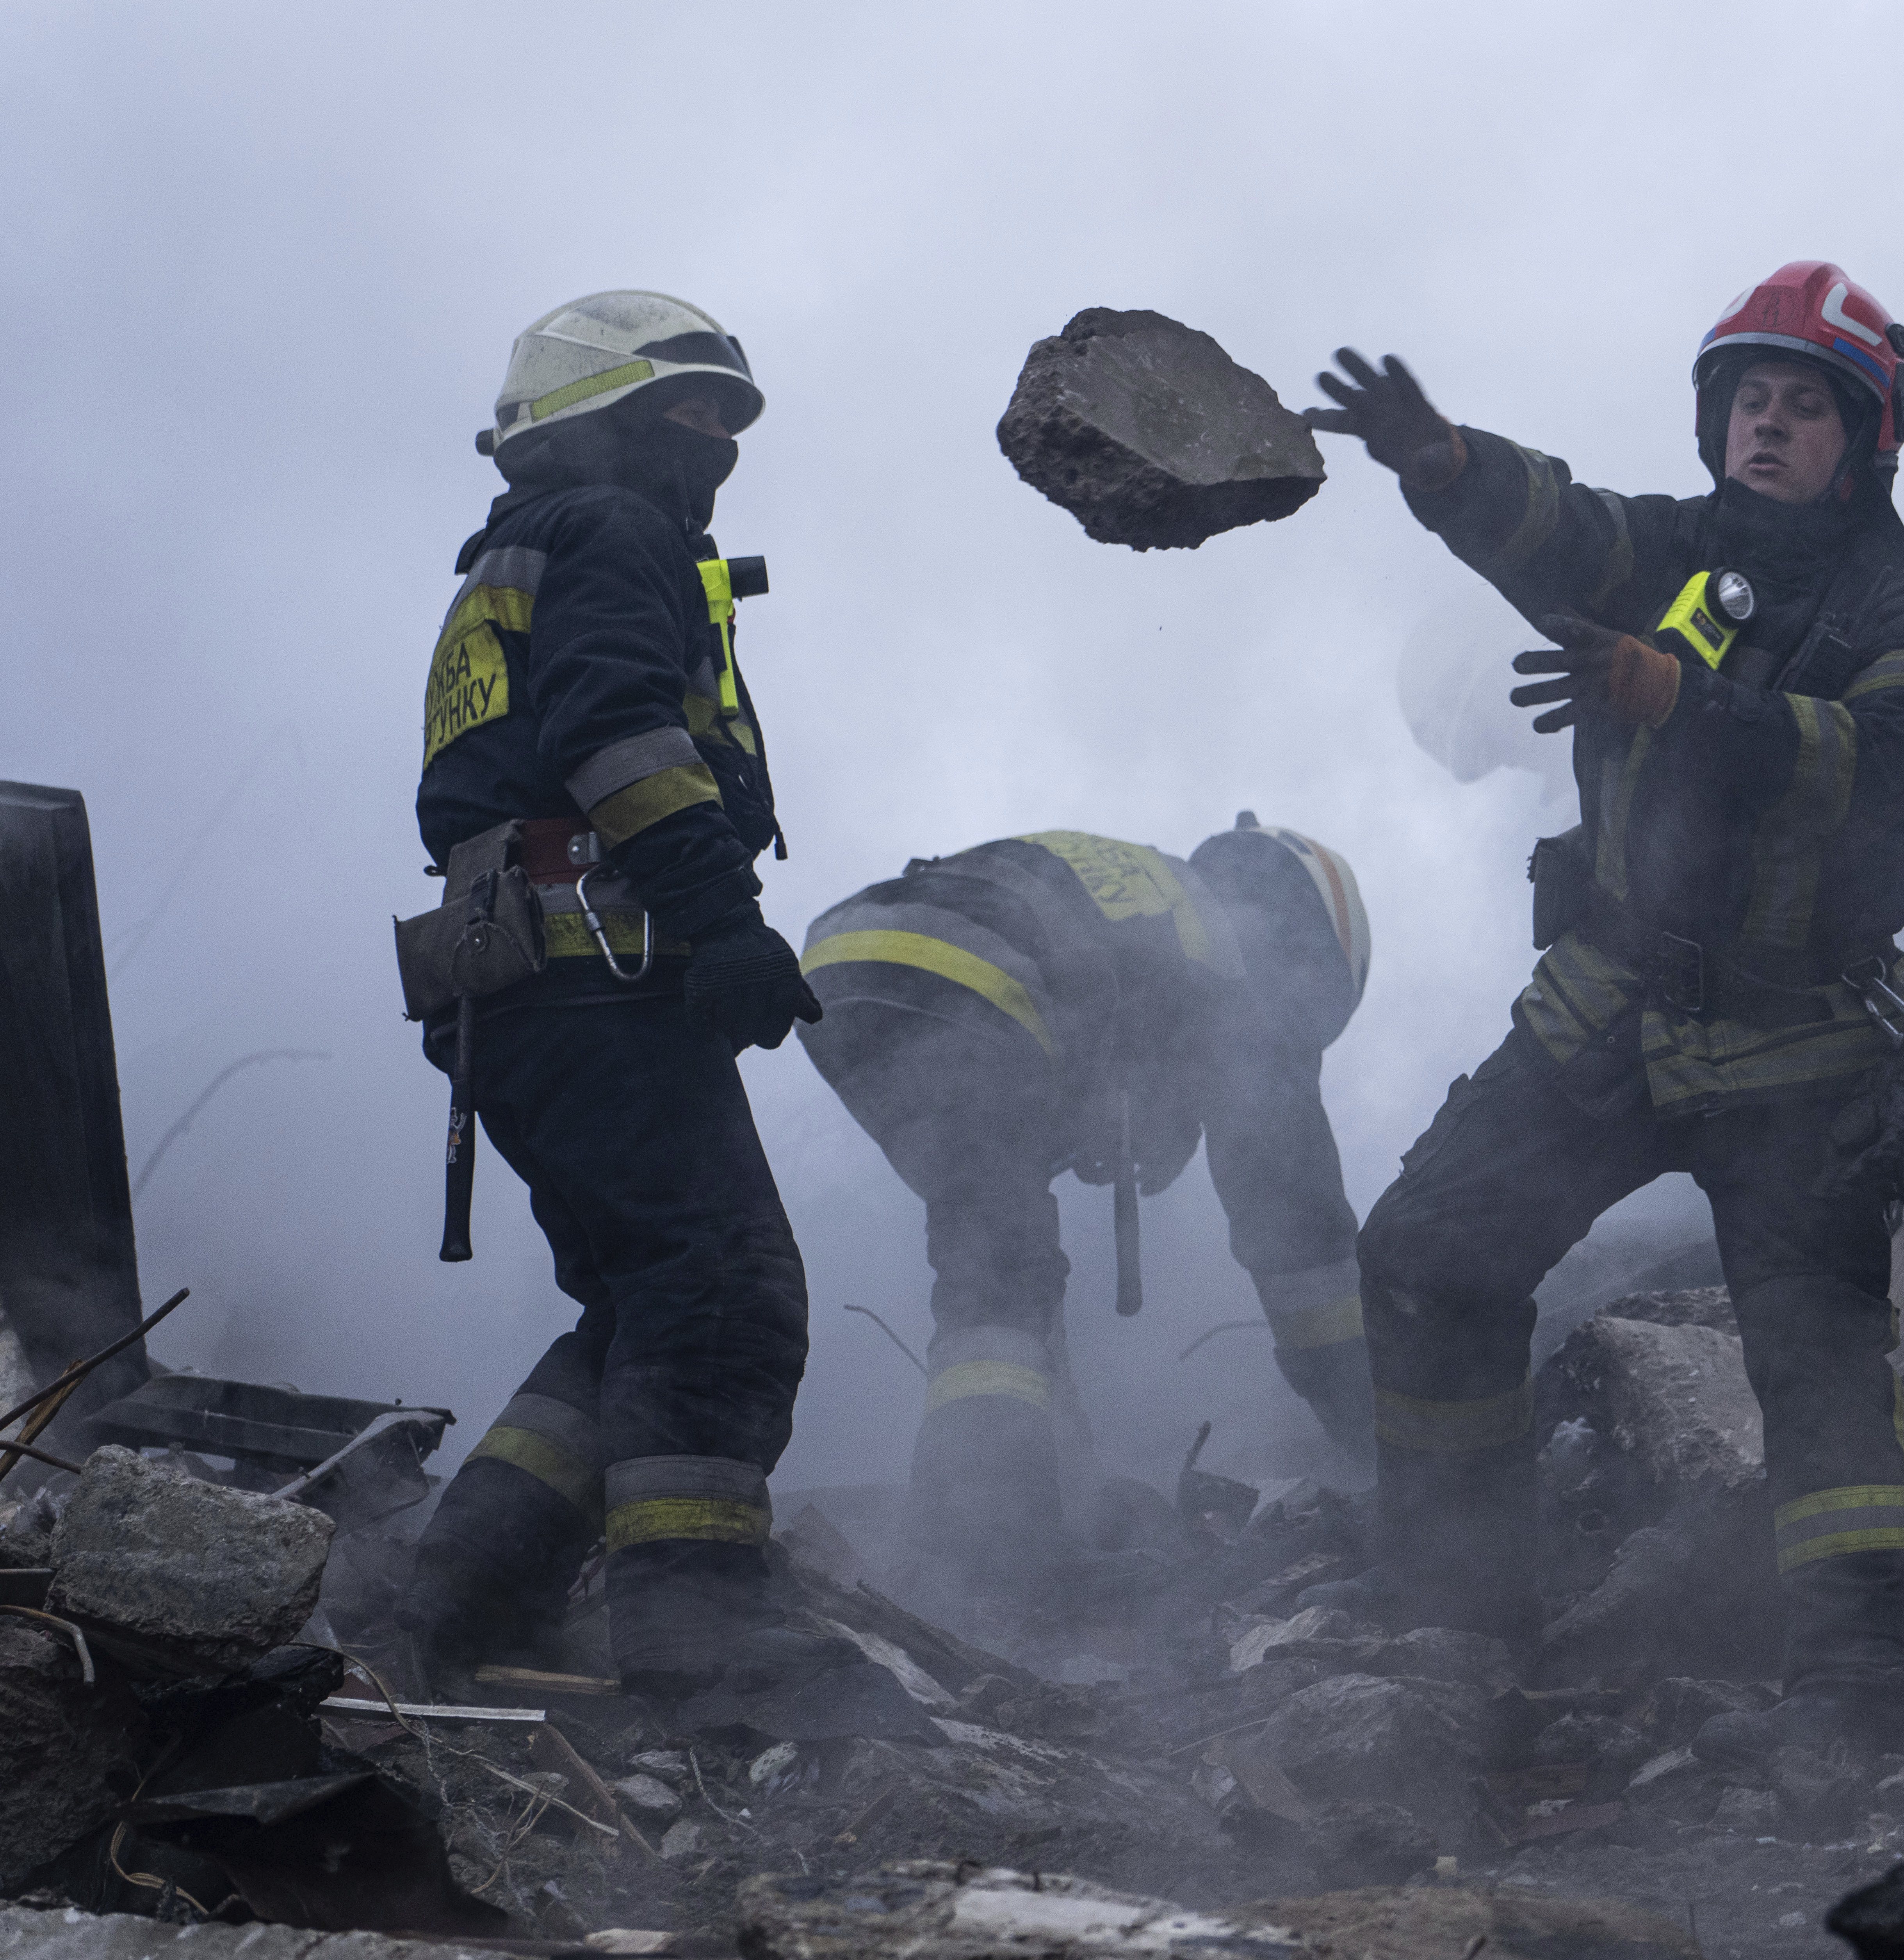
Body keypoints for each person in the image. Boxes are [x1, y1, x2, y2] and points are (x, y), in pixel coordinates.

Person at [1302, 261, 1904, 1760]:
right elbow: (1562, 527)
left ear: (1867, 440)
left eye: (1805, 405)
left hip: (1802, 1037)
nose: (1768, 424)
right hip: (1606, 1004)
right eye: (1748, 399)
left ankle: (1860, 1696)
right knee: (1425, 1256)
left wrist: (1680, 697)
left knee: (1814, 1366)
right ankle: (1457, 1619)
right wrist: (1445, 461)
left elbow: (1870, 755)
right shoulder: (1665, 552)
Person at [399, 290, 852, 1729]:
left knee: (642, 1299)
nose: (715, 440)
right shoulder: (616, 531)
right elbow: (617, 732)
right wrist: (723, 922)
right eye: (687, 408)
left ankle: (451, 1599)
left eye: (730, 415)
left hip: (516, 985)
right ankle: (703, 1652)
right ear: (596, 420)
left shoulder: (519, 553)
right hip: (593, 966)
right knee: (724, 1296)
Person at [795, 816, 1375, 1601]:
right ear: (1310, 955)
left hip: (841, 967)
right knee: (1004, 1265)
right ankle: (987, 1535)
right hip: (968, 972)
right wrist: (1372, 1425)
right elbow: (1299, 1233)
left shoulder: (1160, 901)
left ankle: (1012, 1501)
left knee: (994, 1250)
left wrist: (1083, 1484)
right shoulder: (1250, 959)